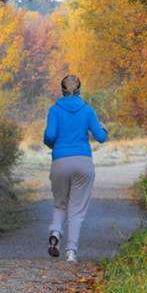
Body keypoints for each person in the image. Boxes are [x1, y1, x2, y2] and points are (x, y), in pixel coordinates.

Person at [43, 75, 108, 262]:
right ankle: (71, 251)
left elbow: (49, 135)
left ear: (61, 90)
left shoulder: (54, 110)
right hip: (83, 162)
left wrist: (53, 145)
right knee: (77, 210)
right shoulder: (88, 110)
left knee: (60, 203)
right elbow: (100, 137)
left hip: (60, 161)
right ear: (80, 90)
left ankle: (55, 232)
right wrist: (104, 130)